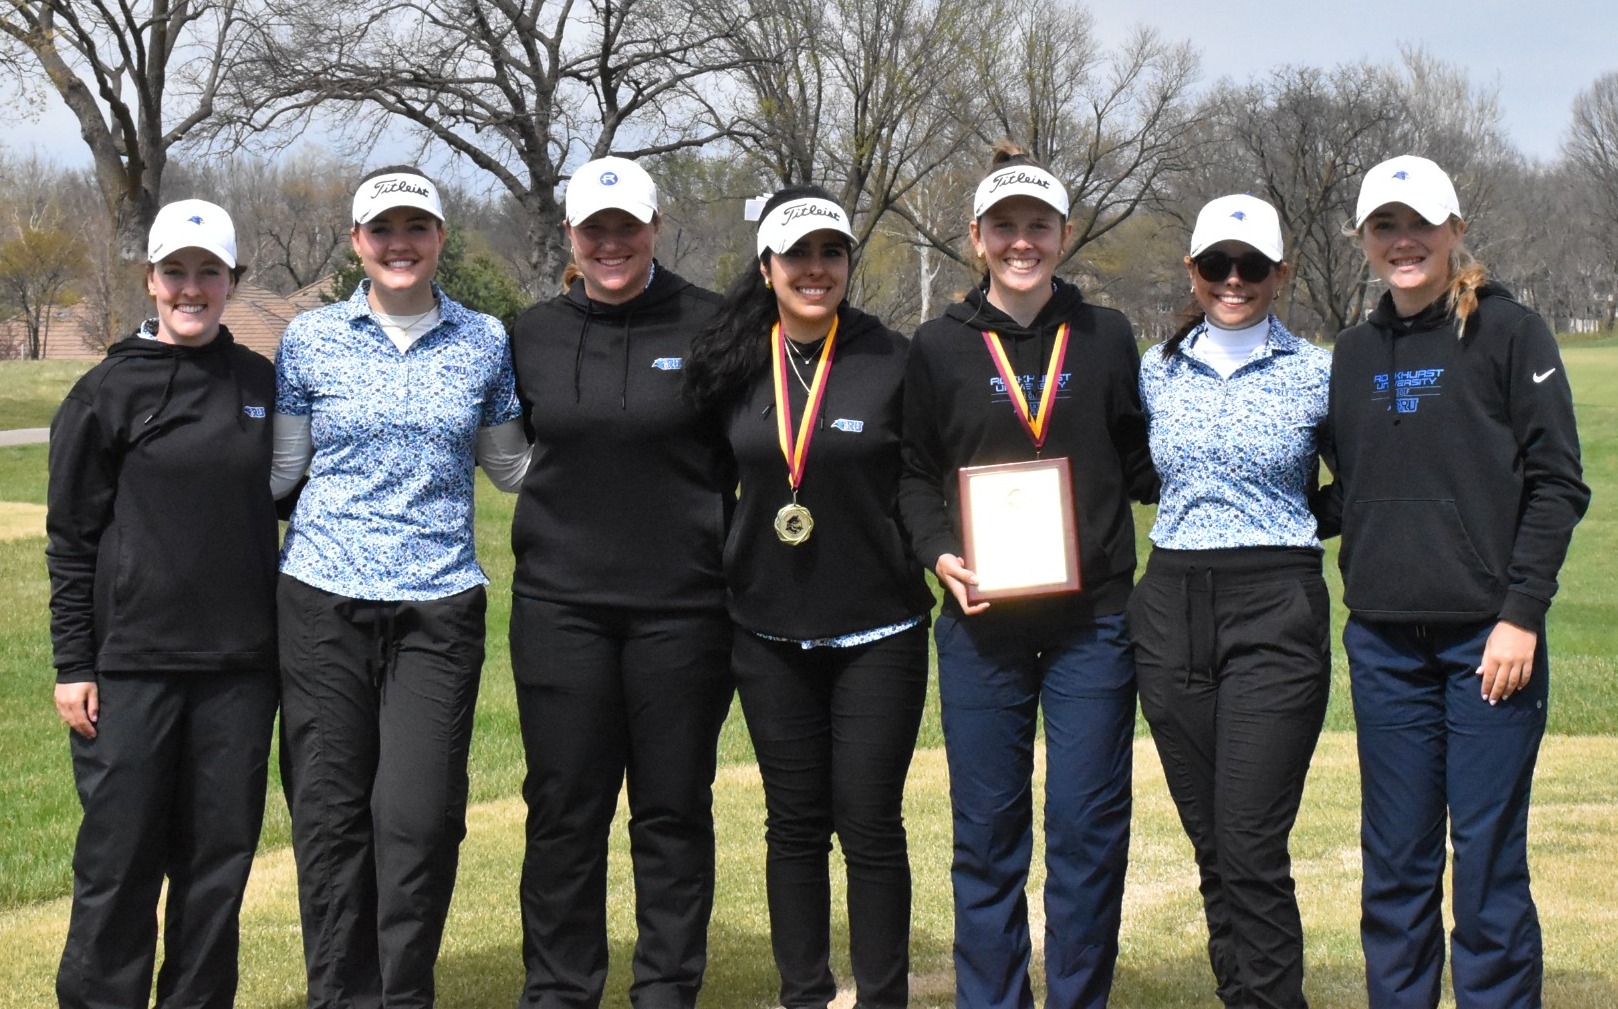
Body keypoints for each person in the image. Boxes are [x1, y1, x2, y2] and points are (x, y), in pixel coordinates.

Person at [898, 144, 1158, 1009]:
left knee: (1086, 830)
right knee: (987, 837)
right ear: (975, 238)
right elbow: (912, 472)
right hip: (981, 622)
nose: (1022, 242)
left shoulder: (1107, 334)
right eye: (1003, 227)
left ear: (1064, 234)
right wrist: (940, 552)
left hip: (1093, 624)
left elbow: (1140, 460)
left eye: (1037, 226)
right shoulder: (936, 346)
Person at [1326, 155, 1588, 1009]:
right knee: (1396, 863)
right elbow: (1357, 486)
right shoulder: (1356, 352)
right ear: (1365, 240)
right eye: (1385, 227)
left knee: (1486, 860)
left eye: (1420, 224)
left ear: (1455, 231)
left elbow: (1557, 482)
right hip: (1384, 645)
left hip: (1489, 643)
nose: (1404, 242)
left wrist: (1521, 614)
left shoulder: (1511, 334)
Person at [272, 165, 528, 1008]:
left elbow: (509, 467)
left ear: (441, 238)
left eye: (416, 228)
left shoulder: (485, 340)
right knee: (331, 818)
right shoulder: (310, 340)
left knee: (418, 818)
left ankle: (402, 993)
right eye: (382, 230)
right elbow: (282, 471)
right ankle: (340, 995)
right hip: (322, 599)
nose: (399, 244)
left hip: (438, 605)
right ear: (356, 242)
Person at [683, 186, 935, 1009]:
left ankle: (883, 997)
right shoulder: (733, 364)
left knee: (869, 823)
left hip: (880, 628)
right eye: (797, 256)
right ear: (767, 267)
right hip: (765, 631)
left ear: (848, 263)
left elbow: (923, 482)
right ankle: (803, 994)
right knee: (792, 825)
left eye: (831, 253)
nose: (815, 270)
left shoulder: (894, 360)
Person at [507, 156, 735, 1009]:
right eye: (593, 229)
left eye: (625, 227)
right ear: (570, 235)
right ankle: (560, 988)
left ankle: (666, 987)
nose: (610, 244)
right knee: (564, 813)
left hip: (684, 609)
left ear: (654, 227)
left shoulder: (714, 324)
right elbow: (504, 455)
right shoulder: (529, 333)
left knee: (672, 812)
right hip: (562, 609)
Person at [46, 199, 280, 1008]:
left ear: (231, 281)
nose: (191, 288)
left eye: (207, 272)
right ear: (149, 280)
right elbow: (71, 539)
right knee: (119, 863)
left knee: (217, 869)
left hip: (241, 672)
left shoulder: (259, 381)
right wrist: (74, 664)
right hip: (132, 669)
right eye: (174, 272)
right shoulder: (105, 390)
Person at [1131, 194, 1332, 1009]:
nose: (1235, 280)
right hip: (1171, 605)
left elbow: (1361, 481)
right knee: (1214, 846)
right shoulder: (1154, 369)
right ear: (1193, 270)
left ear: (1281, 272)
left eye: (1252, 266)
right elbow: (1134, 471)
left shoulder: (1317, 370)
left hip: (1275, 610)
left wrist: (1287, 526)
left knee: (1252, 842)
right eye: (1217, 264)